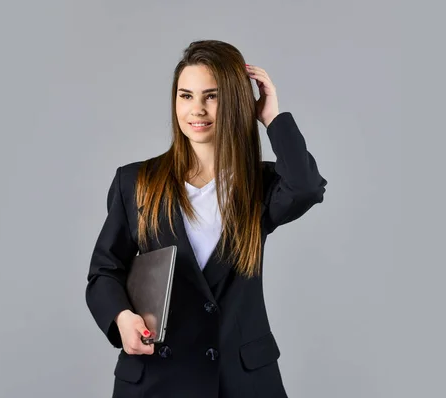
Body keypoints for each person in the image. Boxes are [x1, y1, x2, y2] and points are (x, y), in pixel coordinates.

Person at [85, 40, 327, 398]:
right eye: (186, 96)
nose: (196, 109)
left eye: (211, 96)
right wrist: (122, 317)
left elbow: (307, 187)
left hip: (240, 380)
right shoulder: (136, 181)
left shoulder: (258, 185)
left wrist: (273, 119)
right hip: (158, 376)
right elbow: (104, 270)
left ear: (235, 101)